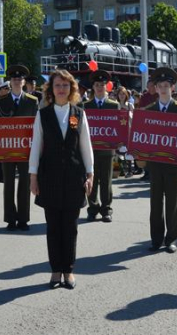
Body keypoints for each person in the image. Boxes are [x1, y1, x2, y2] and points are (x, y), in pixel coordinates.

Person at [29, 69, 94, 289]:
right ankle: (56, 270)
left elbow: (85, 145)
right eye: (57, 85)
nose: (61, 89)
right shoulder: (43, 114)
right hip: (49, 178)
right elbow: (36, 147)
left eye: (65, 85)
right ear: (51, 88)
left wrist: (90, 173)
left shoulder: (78, 113)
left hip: (74, 177)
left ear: (71, 89)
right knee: (53, 227)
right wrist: (33, 176)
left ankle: (69, 271)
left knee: (70, 227)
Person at [143, 67, 177, 254]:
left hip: (173, 163)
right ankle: (156, 239)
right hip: (155, 164)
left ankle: (172, 239)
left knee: (172, 201)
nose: (163, 89)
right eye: (160, 85)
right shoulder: (149, 110)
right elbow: (142, 135)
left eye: (167, 85)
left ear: (172, 88)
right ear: (155, 88)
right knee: (155, 203)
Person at [0, 65, 39, 230]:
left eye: (20, 79)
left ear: (24, 82)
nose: (17, 81)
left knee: (25, 183)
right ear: (10, 82)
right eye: (14, 79)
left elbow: (37, 126)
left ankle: (23, 219)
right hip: (6, 148)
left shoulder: (32, 101)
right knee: (8, 183)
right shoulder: (0, 101)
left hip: (26, 149)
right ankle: (10, 219)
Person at [82, 71, 120, 223]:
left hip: (107, 149)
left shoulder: (114, 105)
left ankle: (106, 209)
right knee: (91, 179)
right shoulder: (85, 106)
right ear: (93, 86)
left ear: (106, 87)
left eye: (102, 85)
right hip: (89, 149)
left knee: (106, 181)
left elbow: (119, 127)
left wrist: (121, 144)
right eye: (97, 85)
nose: (99, 87)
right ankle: (93, 208)